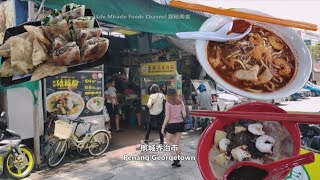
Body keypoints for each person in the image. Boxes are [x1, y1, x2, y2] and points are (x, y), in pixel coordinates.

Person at [161, 87, 186, 167]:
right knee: (177, 143)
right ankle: (178, 160)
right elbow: (184, 114)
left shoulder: (168, 103)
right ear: (175, 93)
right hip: (180, 123)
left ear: (168, 94)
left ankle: (175, 158)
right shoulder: (180, 102)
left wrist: (163, 127)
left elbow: (167, 116)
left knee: (168, 141)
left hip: (172, 124)